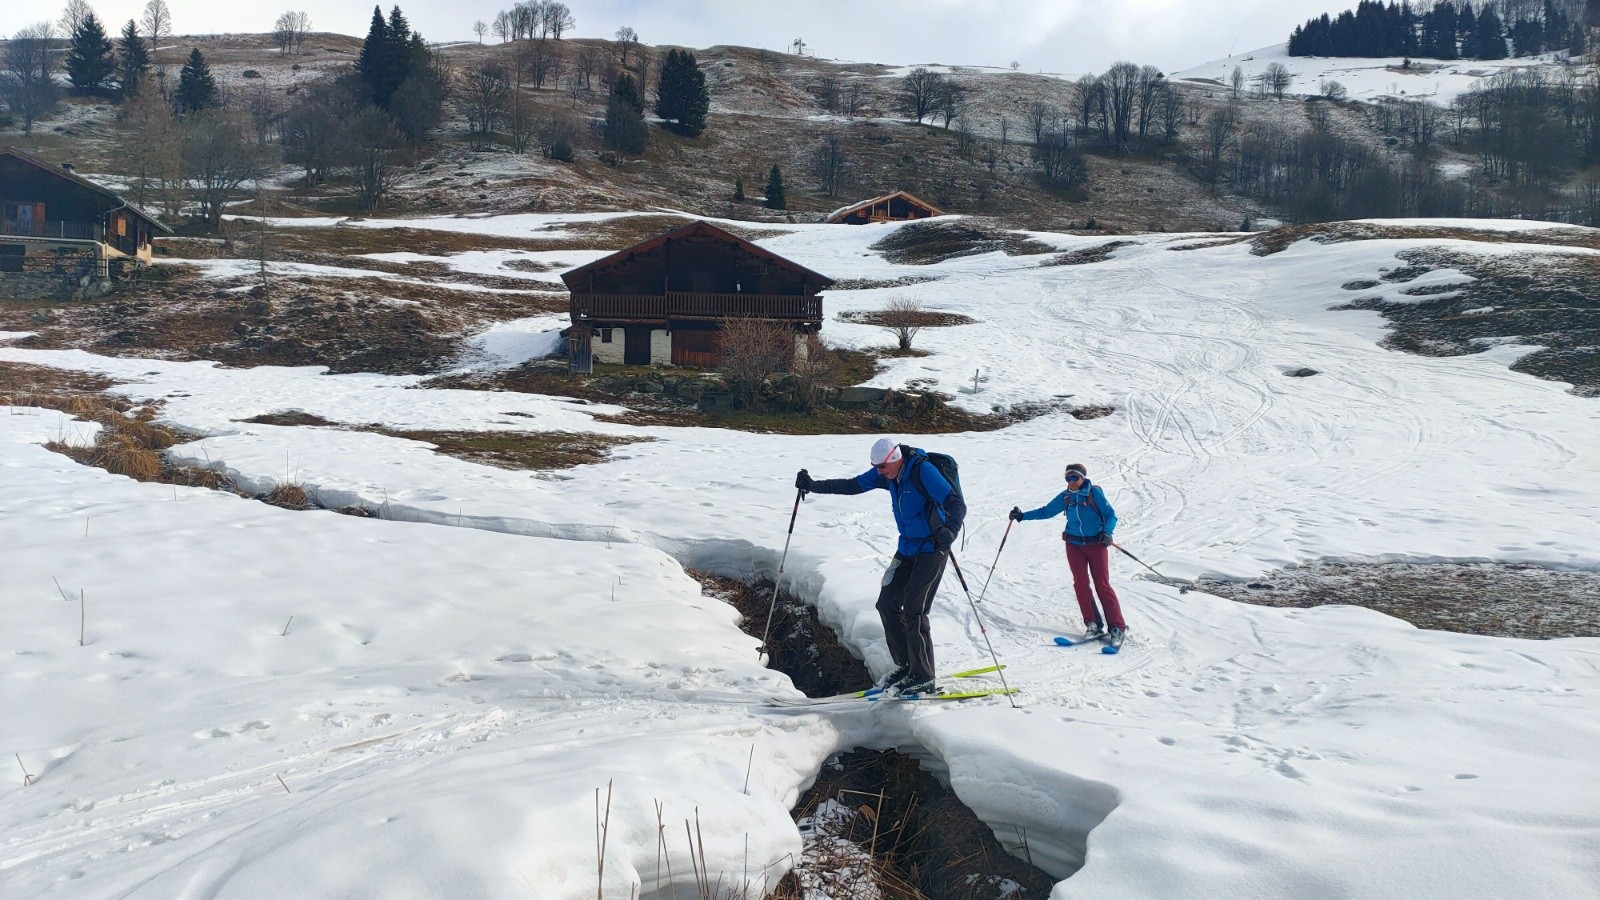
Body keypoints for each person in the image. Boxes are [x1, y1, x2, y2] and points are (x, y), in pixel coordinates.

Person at [795, 437, 966, 695]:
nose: (878, 472)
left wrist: (951, 530)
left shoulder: (922, 471)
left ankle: (923, 677)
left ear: (895, 459)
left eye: (882, 467)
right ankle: (906, 666)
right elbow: (853, 485)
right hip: (908, 547)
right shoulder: (887, 474)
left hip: (933, 548)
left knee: (915, 610)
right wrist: (814, 486)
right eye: (875, 467)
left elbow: (956, 503)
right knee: (886, 603)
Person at [1009, 463, 1127, 644]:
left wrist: (1107, 532)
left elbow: (1111, 515)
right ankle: (1092, 624)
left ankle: (1117, 627)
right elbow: (1046, 511)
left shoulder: (1093, 493)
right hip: (1073, 545)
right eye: (1068, 478)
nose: (1071, 481)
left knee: (1102, 584)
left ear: (1082, 477)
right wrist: (1022, 516)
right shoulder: (1065, 497)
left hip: (1096, 544)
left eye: (1075, 478)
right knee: (1080, 583)